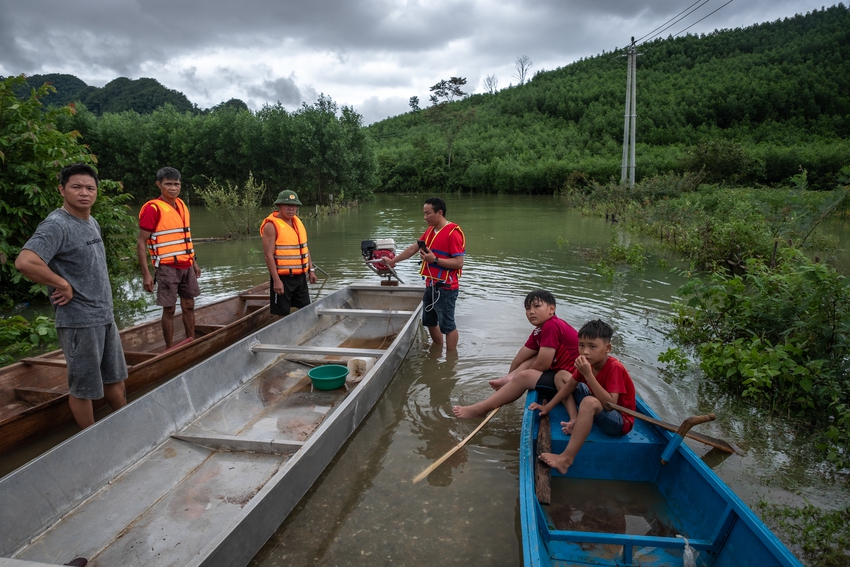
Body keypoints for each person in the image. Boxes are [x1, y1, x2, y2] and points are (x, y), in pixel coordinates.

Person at [15, 163, 128, 429]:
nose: (84, 193)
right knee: (84, 387)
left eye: (90, 188)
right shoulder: (57, 225)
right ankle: (90, 440)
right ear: (62, 189)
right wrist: (61, 283)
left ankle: (126, 423)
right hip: (78, 321)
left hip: (104, 316)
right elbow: (25, 261)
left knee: (115, 377)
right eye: (76, 187)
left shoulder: (92, 222)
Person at [452, 290, 578, 418]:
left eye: (536, 306)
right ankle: (508, 383)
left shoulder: (552, 325)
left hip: (572, 382)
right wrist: (510, 380)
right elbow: (520, 358)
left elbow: (543, 365)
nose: (531, 312)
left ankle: (480, 409)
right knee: (531, 358)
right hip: (561, 375)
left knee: (524, 376)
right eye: (528, 308)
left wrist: (518, 379)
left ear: (552, 309)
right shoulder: (538, 331)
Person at [535, 319, 637, 475]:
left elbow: (610, 405)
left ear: (607, 348)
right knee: (561, 375)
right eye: (581, 345)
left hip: (620, 421)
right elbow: (569, 386)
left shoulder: (614, 367)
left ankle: (566, 459)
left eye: (592, 346)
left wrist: (588, 375)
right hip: (601, 405)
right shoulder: (587, 363)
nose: (585, 352)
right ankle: (575, 419)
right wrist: (548, 407)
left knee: (589, 402)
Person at [382, 197, 465, 350]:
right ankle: (437, 349)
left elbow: (459, 262)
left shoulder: (452, 233)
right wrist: (393, 261)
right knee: (429, 321)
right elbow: (413, 249)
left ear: (439, 212)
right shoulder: (430, 231)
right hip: (431, 285)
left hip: (446, 288)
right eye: (424, 213)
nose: (425, 217)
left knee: (448, 325)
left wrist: (435, 260)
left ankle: (451, 359)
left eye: (428, 214)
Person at [137, 166, 201, 349]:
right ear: (159, 185)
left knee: (189, 305)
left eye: (176, 184)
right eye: (168, 184)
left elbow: (184, 238)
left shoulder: (181, 205)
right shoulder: (153, 209)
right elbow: (141, 242)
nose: (173, 188)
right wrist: (146, 274)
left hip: (187, 265)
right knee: (170, 309)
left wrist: (194, 263)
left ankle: (192, 340)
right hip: (166, 267)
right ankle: (169, 348)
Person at [261, 190, 317, 316]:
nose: (291, 208)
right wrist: (276, 280)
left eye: (294, 205)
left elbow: (304, 248)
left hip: (300, 277)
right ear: (279, 206)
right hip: (283, 277)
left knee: (306, 309)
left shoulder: (297, 222)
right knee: (282, 313)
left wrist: (311, 270)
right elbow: (268, 255)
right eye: (288, 205)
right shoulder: (271, 226)